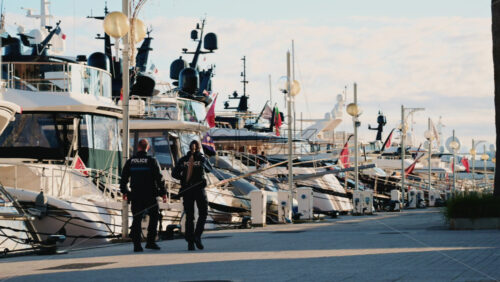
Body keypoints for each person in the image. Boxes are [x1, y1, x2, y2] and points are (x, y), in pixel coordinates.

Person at [120, 139, 166, 252]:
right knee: (154, 217)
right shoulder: (152, 161)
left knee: (137, 218)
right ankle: (150, 242)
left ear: (138, 148)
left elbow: (124, 178)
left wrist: (125, 191)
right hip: (150, 194)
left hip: (136, 194)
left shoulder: (131, 161)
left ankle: (137, 245)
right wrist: (163, 192)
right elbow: (159, 178)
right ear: (148, 148)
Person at [172, 140, 208, 251]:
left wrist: (183, 178)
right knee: (203, 213)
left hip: (187, 190)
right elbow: (209, 169)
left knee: (189, 216)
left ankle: (190, 242)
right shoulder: (201, 159)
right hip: (199, 190)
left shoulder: (183, 160)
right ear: (198, 148)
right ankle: (197, 235)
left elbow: (174, 173)